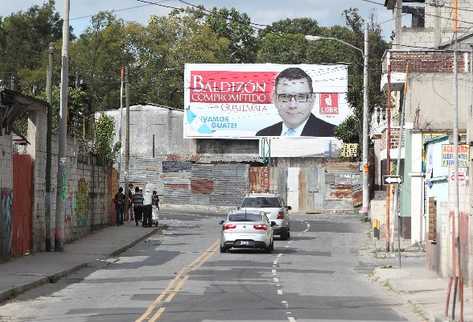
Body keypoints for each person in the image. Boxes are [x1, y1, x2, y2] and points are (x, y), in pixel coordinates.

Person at [256, 67, 336, 137]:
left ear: (312, 99)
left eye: (301, 97)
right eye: (285, 97)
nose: (292, 105)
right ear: (274, 99)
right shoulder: (263, 135)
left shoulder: (335, 134)